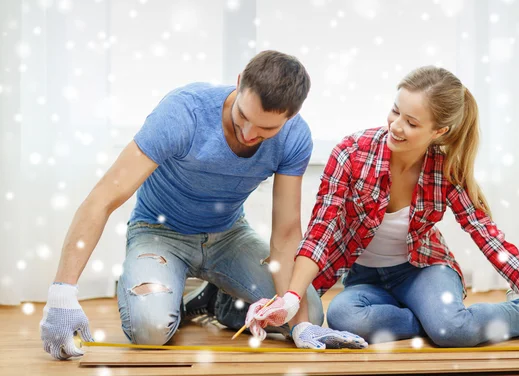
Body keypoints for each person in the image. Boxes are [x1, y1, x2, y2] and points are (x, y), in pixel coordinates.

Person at [245, 66, 519, 353]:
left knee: (450, 329)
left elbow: (493, 244)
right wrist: (291, 299)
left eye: (412, 123)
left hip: (423, 270)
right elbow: (320, 233)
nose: (396, 126)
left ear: (439, 130)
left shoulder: (447, 170)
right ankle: (436, 317)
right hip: (365, 277)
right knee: (342, 315)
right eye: (395, 111)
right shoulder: (351, 154)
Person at [41, 50, 333, 360]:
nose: (249, 134)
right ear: (238, 83)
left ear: (289, 118)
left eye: (266, 130)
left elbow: (287, 233)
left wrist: (298, 324)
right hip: (159, 231)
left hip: (229, 235)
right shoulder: (183, 113)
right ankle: (161, 292)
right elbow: (102, 198)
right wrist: (62, 292)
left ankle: (217, 302)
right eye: (244, 117)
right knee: (150, 330)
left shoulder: (295, 138)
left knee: (309, 314)